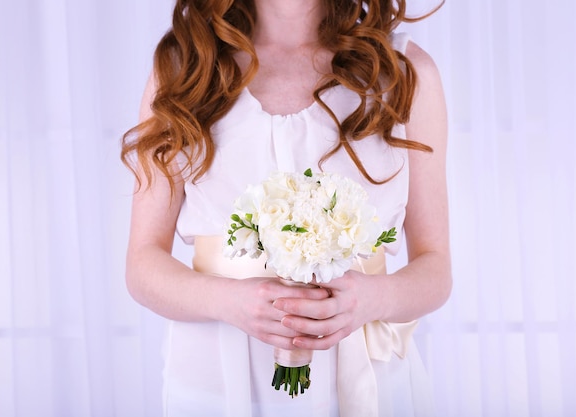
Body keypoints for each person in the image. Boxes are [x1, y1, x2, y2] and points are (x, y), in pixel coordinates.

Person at [121, 0, 451, 415]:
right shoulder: (186, 68)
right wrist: (229, 302)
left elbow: (435, 268)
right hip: (217, 381)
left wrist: (369, 300)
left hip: (365, 382)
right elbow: (143, 265)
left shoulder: (404, 72)